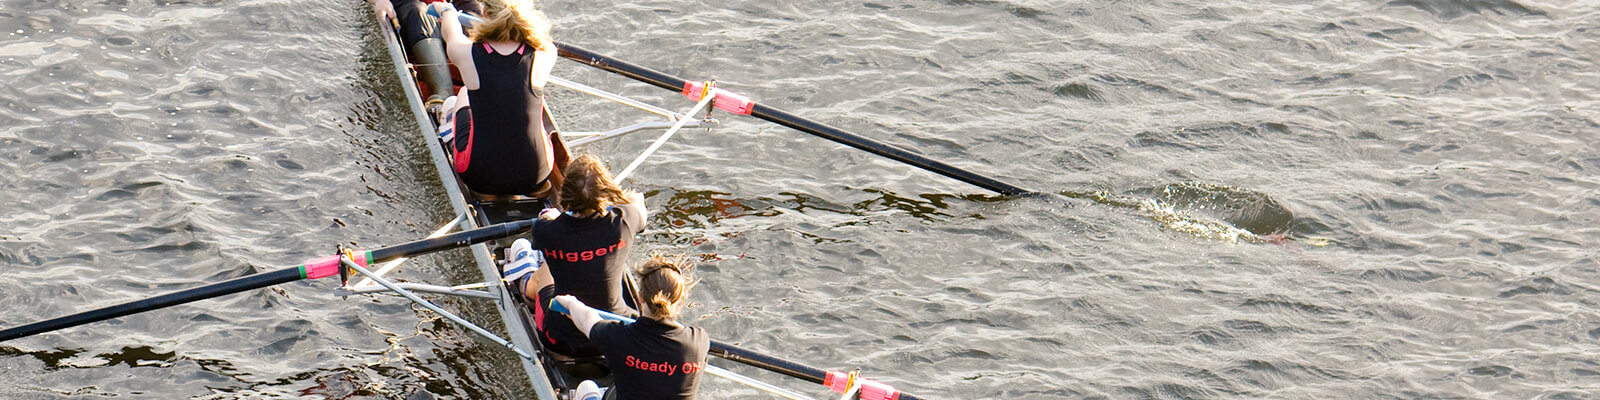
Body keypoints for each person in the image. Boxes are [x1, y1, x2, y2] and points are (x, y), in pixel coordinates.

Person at [431, 0, 564, 199]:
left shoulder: (465, 52)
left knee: (461, 96)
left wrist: (447, 9)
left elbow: (450, 30)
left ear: (483, 13)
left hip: (479, 176)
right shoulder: (546, 54)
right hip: (536, 175)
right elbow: (542, 38)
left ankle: (448, 126)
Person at [525, 154, 647, 357]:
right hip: (614, 334)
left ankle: (524, 285)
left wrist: (550, 215)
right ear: (605, 191)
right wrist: (616, 199)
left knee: (548, 266)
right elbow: (639, 203)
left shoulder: (546, 231)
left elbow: (544, 219)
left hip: (560, 338)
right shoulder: (623, 223)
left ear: (567, 194)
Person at [553, 253, 708, 400]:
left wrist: (571, 303)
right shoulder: (699, 342)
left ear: (640, 297)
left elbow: (587, 319)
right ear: (681, 299)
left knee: (587, 387)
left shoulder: (617, 337)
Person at [369, 0, 481, 105]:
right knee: (420, 11)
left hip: (444, 13)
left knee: (473, 9)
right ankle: (445, 97)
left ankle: (483, 82)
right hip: (409, 16)